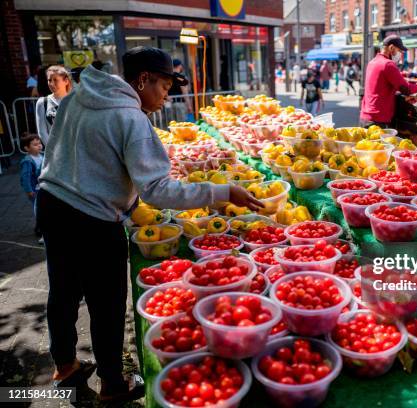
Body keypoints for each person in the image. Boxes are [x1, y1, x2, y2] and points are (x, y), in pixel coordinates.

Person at [36, 46, 263, 403]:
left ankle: (64, 365)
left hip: (52, 203)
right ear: (143, 80)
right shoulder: (132, 120)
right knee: (106, 303)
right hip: (93, 219)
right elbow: (157, 190)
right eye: (164, 87)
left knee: (62, 290)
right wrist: (222, 191)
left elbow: (60, 149)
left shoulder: (78, 95)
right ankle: (113, 384)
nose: (166, 96)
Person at [360, 35, 417, 128]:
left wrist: (407, 75)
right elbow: (406, 89)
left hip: (366, 116)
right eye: (399, 51)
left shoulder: (373, 62)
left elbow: (385, 77)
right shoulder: (388, 64)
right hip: (378, 119)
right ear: (391, 48)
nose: (400, 54)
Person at [35, 65, 72, 146]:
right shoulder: (42, 102)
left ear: (66, 81)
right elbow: (42, 132)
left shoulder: (76, 100)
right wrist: (53, 151)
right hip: (55, 150)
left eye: (55, 80)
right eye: (49, 80)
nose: (51, 83)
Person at [19, 134, 44, 242]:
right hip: (35, 191)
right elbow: (25, 177)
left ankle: (39, 228)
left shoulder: (41, 156)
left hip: (43, 188)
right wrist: (29, 190)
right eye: (35, 144)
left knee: (43, 211)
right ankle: (43, 233)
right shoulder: (27, 161)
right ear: (26, 148)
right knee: (39, 211)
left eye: (39, 143)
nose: (39, 146)